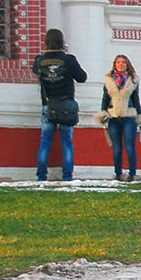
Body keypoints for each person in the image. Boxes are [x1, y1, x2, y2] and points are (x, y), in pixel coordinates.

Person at [31, 28, 86, 181]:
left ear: (46, 41)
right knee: (67, 142)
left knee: (46, 141)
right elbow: (82, 77)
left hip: (48, 105)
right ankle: (67, 176)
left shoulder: (40, 61)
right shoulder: (68, 60)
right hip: (66, 104)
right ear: (62, 42)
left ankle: (42, 176)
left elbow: (36, 70)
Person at [95, 54, 141, 181]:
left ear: (127, 65)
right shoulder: (109, 81)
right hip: (114, 117)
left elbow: (136, 99)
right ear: (115, 65)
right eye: (118, 62)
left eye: (123, 62)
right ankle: (118, 173)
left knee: (130, 146)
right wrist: (103, 113)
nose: (121, 64)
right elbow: (105, 99)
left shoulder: (133, 80)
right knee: (117, 148)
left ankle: (132, 173)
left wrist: (140, 116)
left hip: (129, 116)